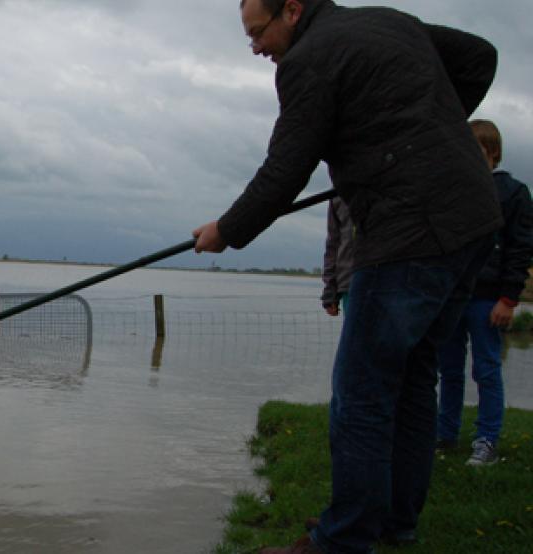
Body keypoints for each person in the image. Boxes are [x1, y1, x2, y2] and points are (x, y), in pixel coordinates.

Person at [193, 1, 500, 552]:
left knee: (361, 395)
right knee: (412, 379)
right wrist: (426, 133)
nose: (256, 48)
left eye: (257, 33)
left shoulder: (307, 60)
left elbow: (285, 169)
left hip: (410, 231)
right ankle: (393, 522)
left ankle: (345, 539)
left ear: (292, 10)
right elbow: (479, 58)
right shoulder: (387, 21)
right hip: (473, 221)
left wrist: (226, 230)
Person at [436, 119, 533, 466]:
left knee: (487, 370)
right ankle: (444, 434)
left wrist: (508, 299)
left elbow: (520, 249)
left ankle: (486, 440)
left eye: (475, 148)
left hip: (489, 299)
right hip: (452, 297)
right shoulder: (454, 192)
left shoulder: (513, 192)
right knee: (448, 369)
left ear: (492, 152)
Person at [320, 197, 353, 316]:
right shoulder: (338, 191)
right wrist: (330, 291)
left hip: (397, 281)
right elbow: (333, 243)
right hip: (351, 285)